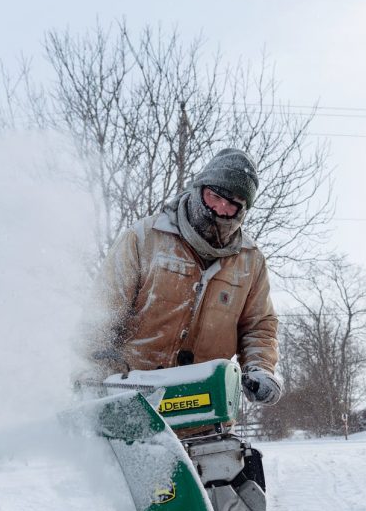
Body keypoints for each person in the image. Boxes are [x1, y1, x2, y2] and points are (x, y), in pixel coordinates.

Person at [81, 147, 282, 409]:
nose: (221, 208)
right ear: (200, 189)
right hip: (135, 399)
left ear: (243, 210)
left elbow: (259, 325)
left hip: (207, 405)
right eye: (215, 196)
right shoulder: (145, 238)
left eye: (233, 204)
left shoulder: (250, 260)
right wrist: (93, 371)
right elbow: (102, 312)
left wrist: (259, 367)